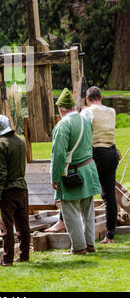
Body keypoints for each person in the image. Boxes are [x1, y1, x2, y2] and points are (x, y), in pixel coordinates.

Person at [51, 88, 102, 255]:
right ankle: (89, 244)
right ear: (72, 106)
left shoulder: (62, 125)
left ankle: (79, 248)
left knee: (70, 211)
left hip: (74, 174)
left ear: (60, 108)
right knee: (88, 210)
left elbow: (58, 155)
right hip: (89, 169)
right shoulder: (85, 121)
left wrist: (55, 177)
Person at [0, 115, 30, 266]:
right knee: (23, 225)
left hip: (8, 191)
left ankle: (7, 259)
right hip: (22, 188)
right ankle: (24, 256)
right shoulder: (20, 141)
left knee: (6, 226)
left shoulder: (0, 146)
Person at [81, 86, 119, 243]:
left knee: (83, 189)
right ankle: (110, 235)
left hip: (97, 153)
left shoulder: (87, 112)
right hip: (112, 152)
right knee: (109, 194)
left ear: (87, 99)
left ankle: (83, 234)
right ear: (101, 97)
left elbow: (83, 132)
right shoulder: (112, 111)